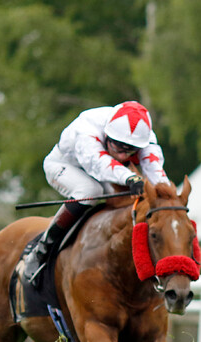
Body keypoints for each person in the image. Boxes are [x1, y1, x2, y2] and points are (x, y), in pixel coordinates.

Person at [23, 100, 170, 285]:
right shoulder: (87, 128)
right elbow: (98, 163)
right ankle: (41, 250)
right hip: (64, 166)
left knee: (131, 201)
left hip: (107, 172)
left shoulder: (144, 135)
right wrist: (130, 178)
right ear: (108, 135)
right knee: (90, 191)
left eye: (130, 150)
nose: (124, 156)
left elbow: (156, 171)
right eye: (118, 147)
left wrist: (168, 196)